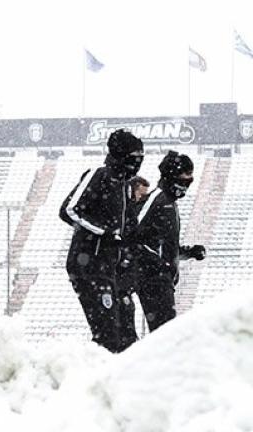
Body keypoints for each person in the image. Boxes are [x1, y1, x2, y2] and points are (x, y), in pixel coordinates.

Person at [59, 129, 143, 353]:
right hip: (89, 265)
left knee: (126, 335)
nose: (139, 162)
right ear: (121, 154)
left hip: (109, 267)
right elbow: (68, 210)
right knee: (108, 334)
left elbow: (128, 229)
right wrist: (103, 233)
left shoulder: (125, 185)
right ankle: (97, 377)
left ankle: (119, 378)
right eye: (135, 156)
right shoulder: (99, 175)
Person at [129, 151, 205, 332]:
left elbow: (163, 245)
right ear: (171, 176)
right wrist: (155, 264)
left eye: (190, 181)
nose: (186, 186)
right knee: (166, 334)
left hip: (163, 279)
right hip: (152, 278)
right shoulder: (157, 199)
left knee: (166, 333)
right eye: (184, 179)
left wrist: (188, 252)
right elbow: (130, 233)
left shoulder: (170, 203)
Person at [115, 175, 150, 343]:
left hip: (128, 275)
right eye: (141, 195)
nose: (142, 199)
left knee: (127, 307)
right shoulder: (125, 213)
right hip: (122, 274)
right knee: (124, 308)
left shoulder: (131, 213)